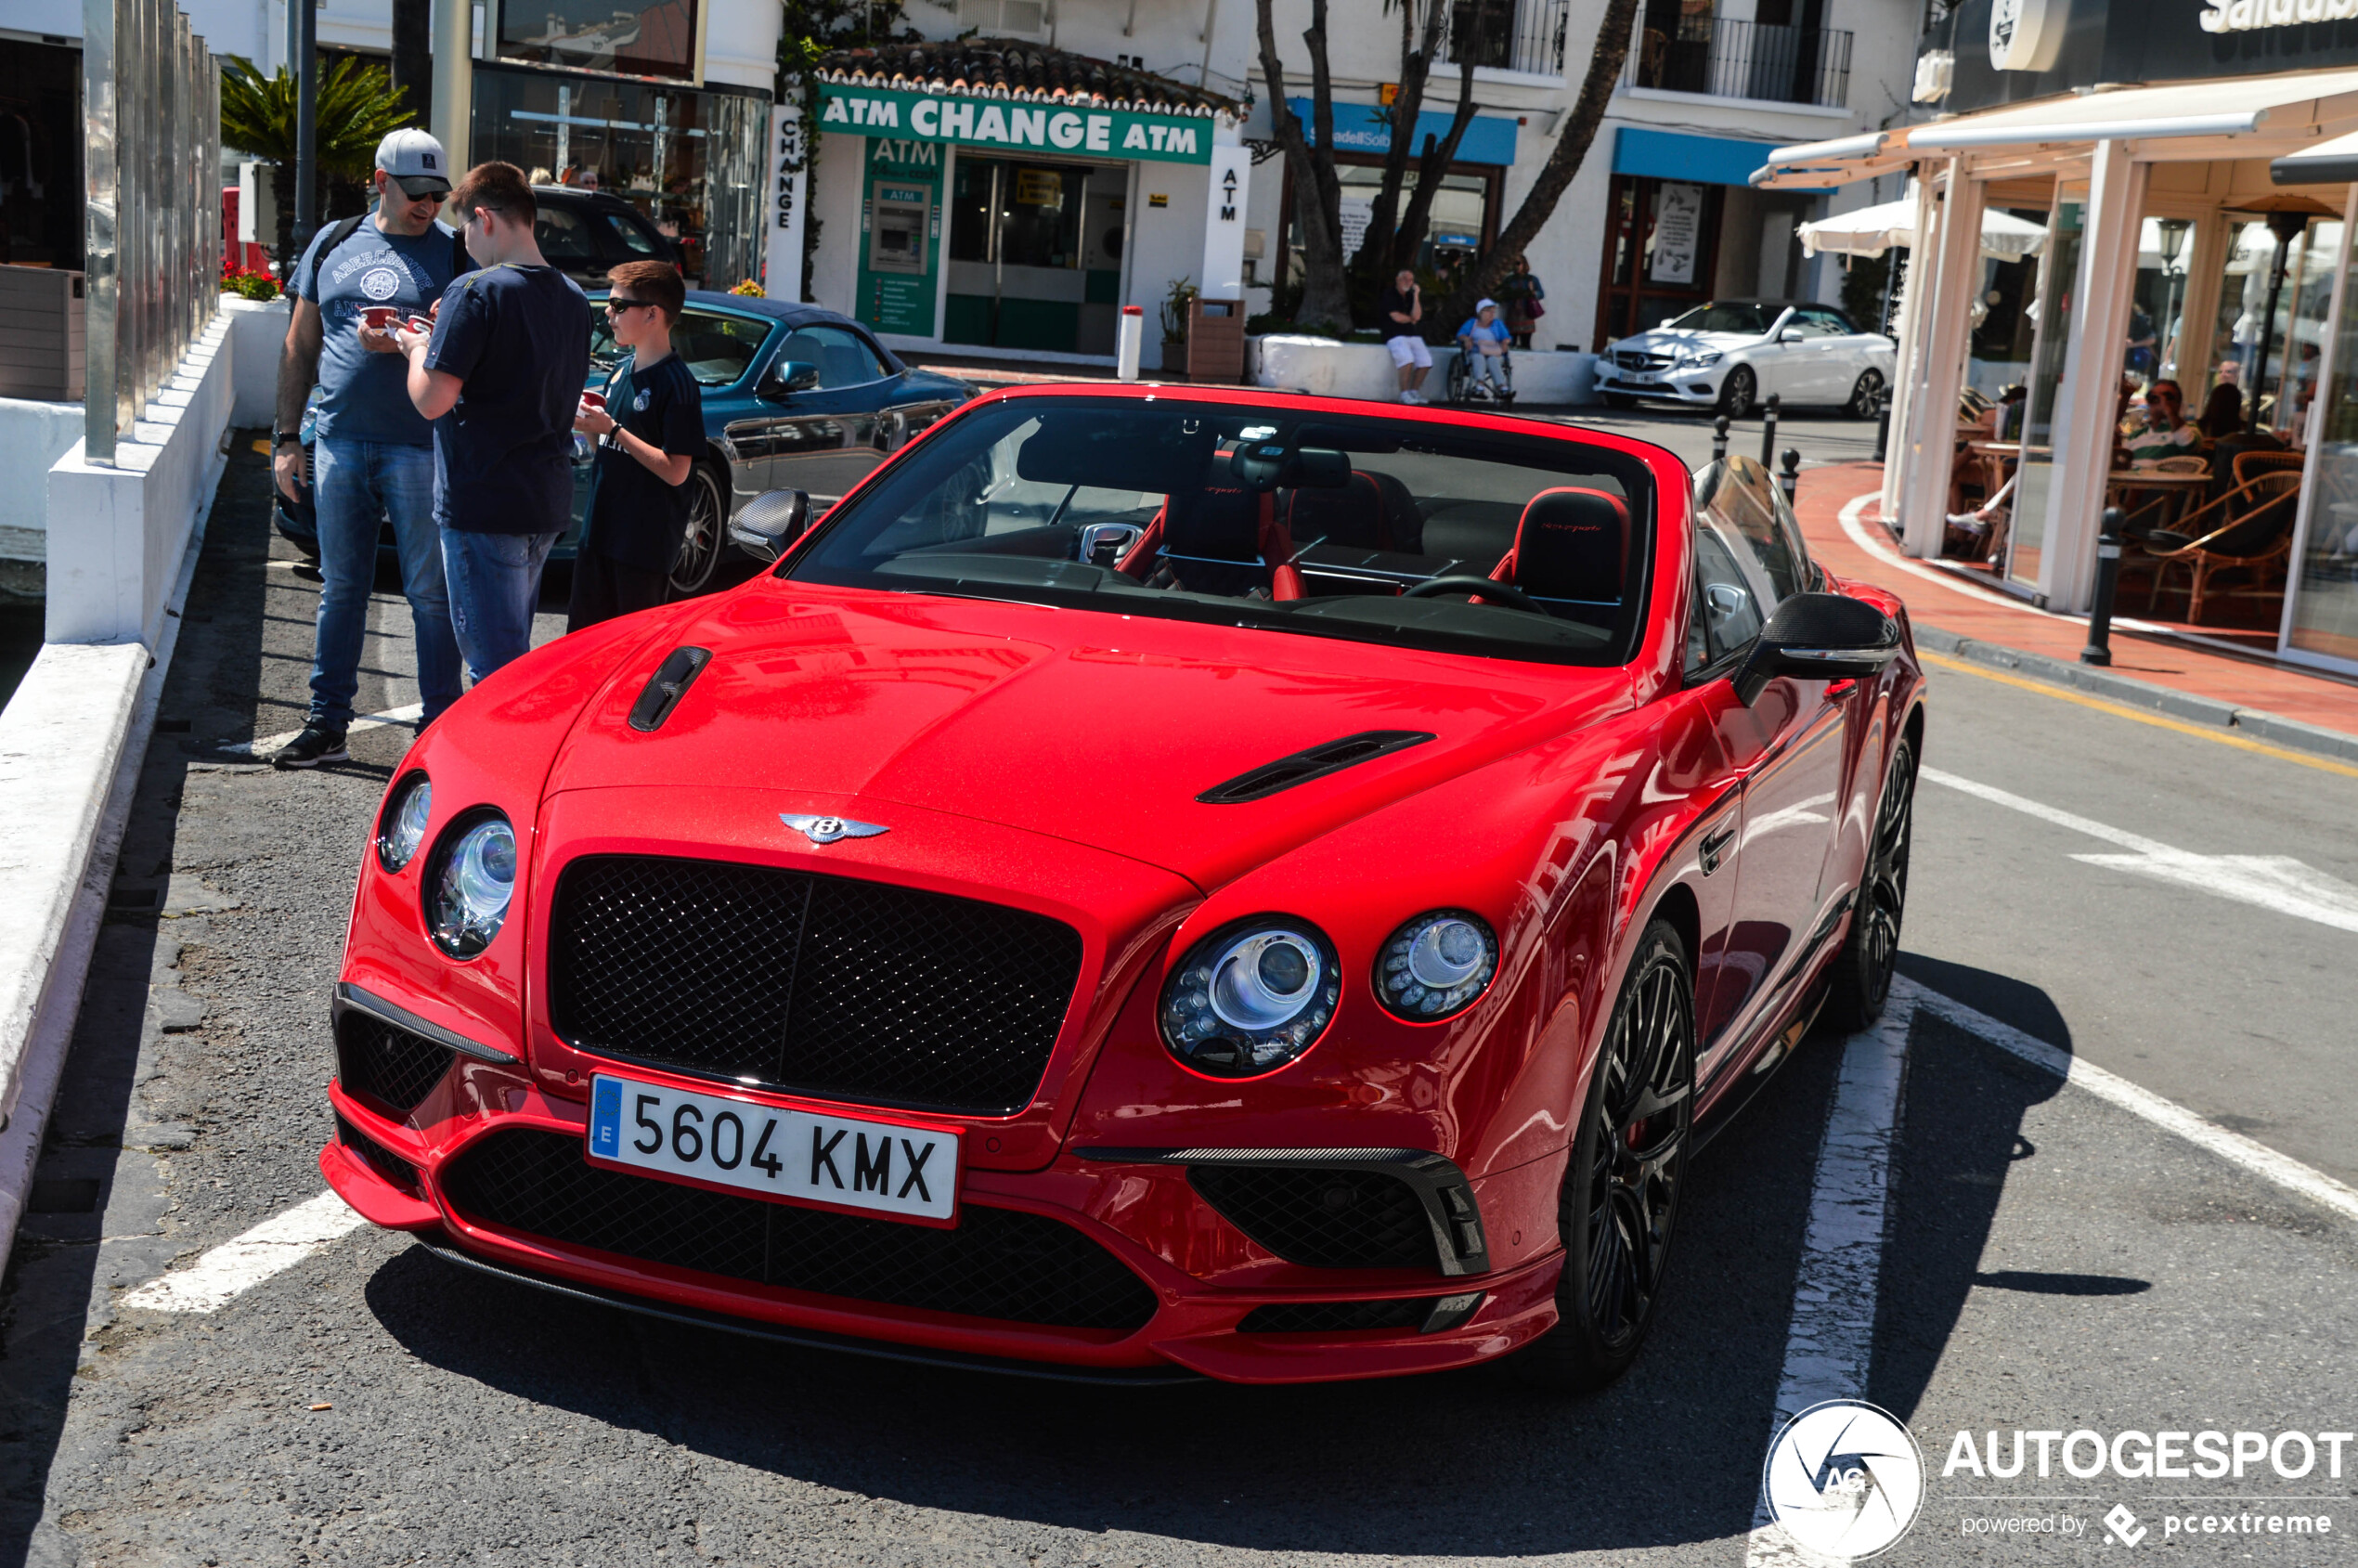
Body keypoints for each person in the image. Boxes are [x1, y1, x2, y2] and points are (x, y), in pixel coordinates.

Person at [268, 129, 472, 770]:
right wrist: (284, 438)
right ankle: (327, 721)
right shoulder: (331, 242)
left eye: (438, 194)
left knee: (429, 592)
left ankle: (439, 721)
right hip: (338, 440)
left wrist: (417, 340)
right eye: (417, 193)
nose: (429, 206)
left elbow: (472, 351)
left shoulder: (456, 256)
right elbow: (299, 347)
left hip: (419, 445)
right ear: (380, 182)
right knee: (342, 586)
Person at [393, 162, 592, 683]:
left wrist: (416, 347)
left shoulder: (475, 289)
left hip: (484, 499)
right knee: (511, 656)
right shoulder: (574, 298)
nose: (463, 240)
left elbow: (433, 399)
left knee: (494, 672)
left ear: (484, 218)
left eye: (463, 227)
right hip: (543, 497)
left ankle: (501, 766)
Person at [566, 260, 705, 630]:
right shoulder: (620, 371)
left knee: (628, 656)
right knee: (583, 649)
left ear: (652, 315)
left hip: (642, 548)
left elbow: (677, 471)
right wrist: (592, 427)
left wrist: (613, 430)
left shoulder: (678, 384)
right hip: (598, 535)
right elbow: (609, 457)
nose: (609, 314)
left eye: (619, 306)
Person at [1380, 269, 1431, 404]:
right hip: (1394, 334)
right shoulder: (1390, 294)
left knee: (1426, 361)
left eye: (1410, 280)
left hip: (1411, 334)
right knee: (1407, 359)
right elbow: (1396, 317)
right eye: (1405, 279)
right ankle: (1404, 393)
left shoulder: (1410, 296)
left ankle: (1414, 391)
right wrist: (1411, 319)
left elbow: (1417, 316)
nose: (1408, 282)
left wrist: (1416, 296)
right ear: (1398, 279)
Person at [2122, 377, 2197, 460]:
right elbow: (2123, 463)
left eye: (2167, 396)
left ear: (2178, 404)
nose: (2160, 400)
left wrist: (2169, 411)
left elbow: (2188, 445)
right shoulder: (2135, 435)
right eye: (2153, 396)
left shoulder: (2190, 429)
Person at [1456, 299, 1513, 397]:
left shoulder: (1497, 324)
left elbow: (1507, 337)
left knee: (1493, 360)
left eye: (1493, 311)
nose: (1491, 313)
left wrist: (1505, 342)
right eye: (1488, 311)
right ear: (1480, 312)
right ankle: (1479, 386)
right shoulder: (1472, 323)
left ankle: (1502, 387)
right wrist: (1466, 339)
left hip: (1493, 352)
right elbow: (1460, 334)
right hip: (1475, 352)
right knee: (1479, 358)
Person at [1499, 254, 1545, 349]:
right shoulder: (1509, 280)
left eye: (1518, 263)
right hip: (1512, 314)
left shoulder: (1532, 279)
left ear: (1524, 264)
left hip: (1526, 314)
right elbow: (1502, 296)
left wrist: (1533, 292)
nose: (1516, 266)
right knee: (1510, 344)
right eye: (1514, 264)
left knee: (1526, 344)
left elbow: (1541, 294)